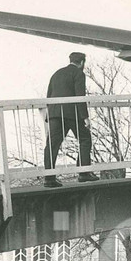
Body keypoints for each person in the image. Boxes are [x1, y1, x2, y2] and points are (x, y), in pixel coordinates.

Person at [43, 51, 98, 188]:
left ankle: (49, 178)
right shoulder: (78, 74)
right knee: (85, 139)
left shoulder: (56, 73)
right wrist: (85, 117)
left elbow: (49, 94)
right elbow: (80, 96)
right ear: (82, 63)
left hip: (55, 113)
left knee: (52, 145)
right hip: (71, 113)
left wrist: (49, 115)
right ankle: (83, 173)